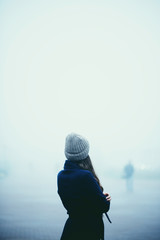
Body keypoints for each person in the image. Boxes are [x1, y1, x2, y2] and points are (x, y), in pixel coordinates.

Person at [57, 133, 111, 240]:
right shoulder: (86, 176)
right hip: (88, 231)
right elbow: (103, 206)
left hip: (70, 229)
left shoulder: (61, 175)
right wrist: (106, 199)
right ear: (84, 153)